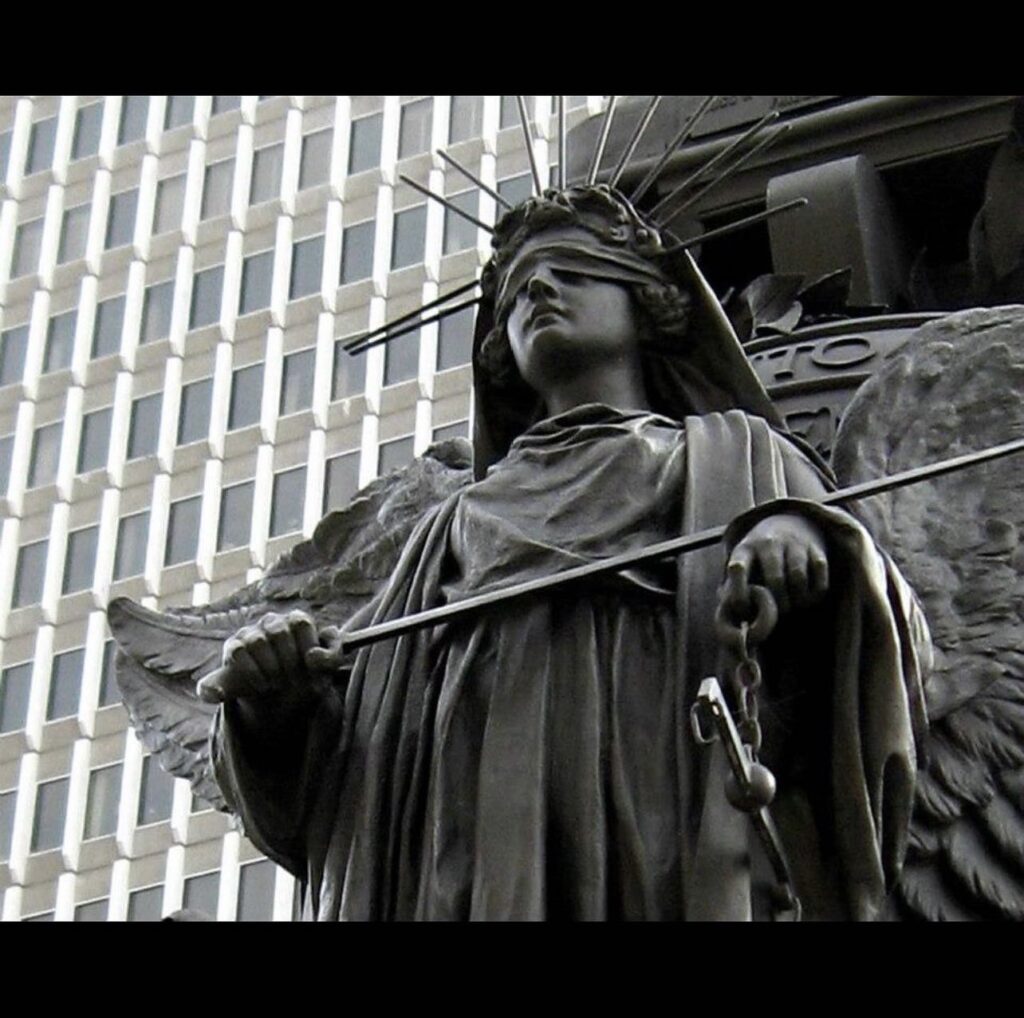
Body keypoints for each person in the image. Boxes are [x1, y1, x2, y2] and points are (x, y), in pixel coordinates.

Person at [198, 185, 930, 921]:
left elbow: (876, 626)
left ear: (647, 303)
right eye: (517, 293)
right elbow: (354, 770)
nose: (541, 290)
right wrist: (277, 704)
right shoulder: (451, 527)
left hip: (662, 798)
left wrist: (805, 548)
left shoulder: (738, 458)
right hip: (478, 838)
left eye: (574, 271)